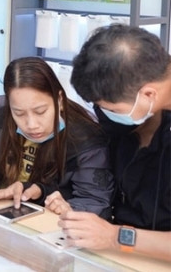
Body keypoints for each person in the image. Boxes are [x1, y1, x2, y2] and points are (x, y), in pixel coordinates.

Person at [60, 24, 171, 261]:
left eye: (112, 109)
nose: (104, 114)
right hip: (119, 256)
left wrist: (114, 237)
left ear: (148, 95)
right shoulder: (131, 103)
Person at [0, 57, 114, 217]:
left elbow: (95, 202)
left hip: (51, 222)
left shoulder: (86, 139)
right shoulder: (1, 113)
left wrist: (65, 207)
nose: (31, 124)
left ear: (59, 100)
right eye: (19, 113)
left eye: (40, 112)